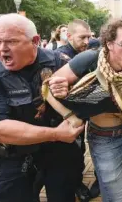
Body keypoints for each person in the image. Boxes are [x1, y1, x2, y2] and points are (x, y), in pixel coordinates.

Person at [0, 13, 84, 202]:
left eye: (11, 41)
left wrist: (71, 91)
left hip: (60, 154)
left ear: (35, 41)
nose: (2, 49)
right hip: (14, 158)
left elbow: (90, 100)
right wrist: (56, 133)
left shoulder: (61, 63)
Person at [48, 17, 122, 202]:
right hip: (104, 140)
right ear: (109, 44)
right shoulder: (89, 60)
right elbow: (48, 88)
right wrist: (68, 113)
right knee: (118, 198)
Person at [34, 19, 92, 202]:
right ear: (69, 36)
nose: (87, 41)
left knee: (78, 155)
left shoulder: (85, 55)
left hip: (78, 118)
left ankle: (77, 183)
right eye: (82, 37)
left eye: (89, 37)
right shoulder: (58, 58)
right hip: (58, 123)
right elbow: (46, 90)